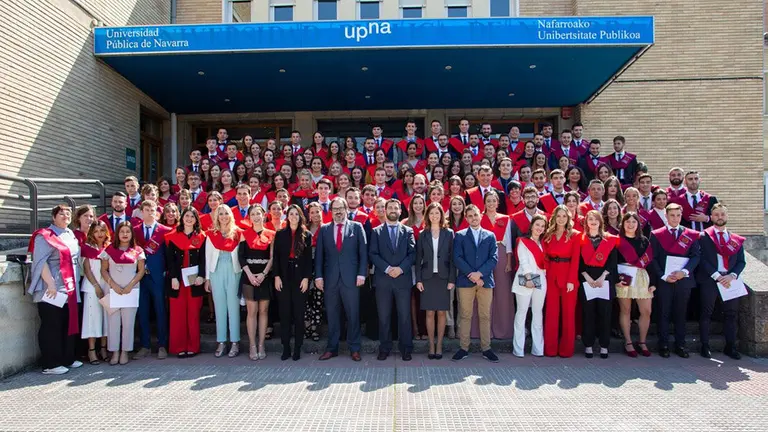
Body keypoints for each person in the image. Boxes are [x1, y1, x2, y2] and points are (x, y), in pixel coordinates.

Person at [28, 205, 82, 374]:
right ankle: (50, 364)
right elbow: (40, 261)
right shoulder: (44, 235)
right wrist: (50, 283)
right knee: (52, 325)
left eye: (68, 213)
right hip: (52, 288)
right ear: (53, 217)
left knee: (68, 322)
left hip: (70, 287)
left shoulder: (70, 233)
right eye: (61, 214)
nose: (66, 216)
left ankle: (67, 358)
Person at [314, 197, 368, 362]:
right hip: (330, 280)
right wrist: (318, 276)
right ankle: (332, 348)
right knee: (332, 315)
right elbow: (319, 256)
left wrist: (361, 274)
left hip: (351, 279)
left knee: (353, 314)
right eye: (335, 209)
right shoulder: (324, 229)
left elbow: (363, 253)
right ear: (331, 211)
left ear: (346, 210)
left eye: (341, 208)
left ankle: (355, 349)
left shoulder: (357, 227)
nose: (338, 212)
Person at [649, 203, 701, 358]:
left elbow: (696, 256)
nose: (675, 218)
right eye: (672, 215)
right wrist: (663, 276)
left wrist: (684, 272)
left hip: (683, 280)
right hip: (664, 280)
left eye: (678, 215)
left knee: (681, 313)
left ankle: (681, 345)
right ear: (666, 216)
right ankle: (663, 345)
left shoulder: (690, 234)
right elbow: (653, 258)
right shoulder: (656, 234)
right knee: (663, 313)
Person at [369, 198, 417, 361]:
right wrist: (388, 269)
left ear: (400, 211)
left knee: (404, 316)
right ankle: (385, 348)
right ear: (385, 210)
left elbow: (412, 254)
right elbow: (373, 254)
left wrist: (400, 269)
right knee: (384, 316)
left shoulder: (408, 231)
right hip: (383, 280)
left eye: (396, 208)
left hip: (402, 280)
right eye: (390, 208)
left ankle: (406, 348)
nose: (393, 210)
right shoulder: (376, 231)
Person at [697, 203, 745, 359]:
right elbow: (701, 259)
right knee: (706, 312)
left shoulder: (735, 239)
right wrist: (717, 275)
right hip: (710, 279)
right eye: (716, 214)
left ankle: (730, 347)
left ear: (727, 216)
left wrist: (732, 275)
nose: (720, 217)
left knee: (731, 314)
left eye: (723, 214)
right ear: (711, 217)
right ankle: (705, 346)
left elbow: (741, 262)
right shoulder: (703, 236)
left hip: (730, 280)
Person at [452, 205, 499, 363]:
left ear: (481, 216)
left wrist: (480, 274)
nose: (473, 218)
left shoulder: (490, 236)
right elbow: (457, 258)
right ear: (466, 218)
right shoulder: (460, 236)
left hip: (485, 281)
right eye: (470, 216)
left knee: (485, 315)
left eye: (475, 215)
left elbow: (493, 258)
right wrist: (472, 275)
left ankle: (486, 348)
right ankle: (463, 348)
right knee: (465, 315)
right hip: (466, 281)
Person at [100, 221, 145, 365]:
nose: (125, 234)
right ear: (117, 234)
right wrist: (113, 285)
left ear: (132, 234)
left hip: (130, 291)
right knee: (113, 322)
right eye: (122, 231)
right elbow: (103, 270)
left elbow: (141, 271)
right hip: (113, 291)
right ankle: (114, 352)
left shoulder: (138, 250)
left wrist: (130, 286)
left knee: (128, 323)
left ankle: (125, 351)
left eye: (128, 231)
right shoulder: (109, 250)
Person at [165, 207, 207, 358]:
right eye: (186, 216)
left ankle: (193, 347)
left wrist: (201, 276)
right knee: (178, 314)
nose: (189, 219)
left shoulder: (202, 237)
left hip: (195, 281)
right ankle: (179, 347)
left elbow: (204, 259)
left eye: (192, 216)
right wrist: (173, 277)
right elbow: (170, 260)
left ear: (196, 220)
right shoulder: (172, 237)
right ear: (182, 218)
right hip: (178, 281)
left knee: (193, 314)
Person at [616, 212, 659, 358]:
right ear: (623, 224)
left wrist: (653, 282)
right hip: (624, 277)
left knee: (646, 311)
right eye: (627, 222)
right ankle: (628, 342)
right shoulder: (617, 241)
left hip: (641, 276)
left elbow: (650, 262)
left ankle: (642, 342)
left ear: (638, 224)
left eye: (634, 222)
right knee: (625, 310)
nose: (630, 224)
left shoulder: (644, 240)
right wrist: (616, 279)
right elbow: (612, 262)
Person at [415, 203, 455, 359]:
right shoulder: (423, 234)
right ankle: (431, 345)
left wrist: (451, 279)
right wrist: (418, 279)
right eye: (431, 213)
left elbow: (452, 258)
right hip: (427, 278)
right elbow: (418, 258)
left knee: (442, 312)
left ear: (441, 215)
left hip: (443, 278)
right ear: (427, 216)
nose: (434, 216)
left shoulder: (449, 233)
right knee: (430, 312)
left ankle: (439, 345)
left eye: (437, 213)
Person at [273, 205, 313, 361]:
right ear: (287, 216)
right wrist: (276, 276)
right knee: (285, 314)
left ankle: (297, 347)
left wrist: (306, 278)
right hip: (284, 275)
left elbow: (309, 259)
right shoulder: (280, 234)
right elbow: (276, 257)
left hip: (300, 277)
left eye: (296, 214)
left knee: (298, 314)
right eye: (291, 214)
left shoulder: (306, 235)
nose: (294, 216)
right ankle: (286, 348)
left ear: (300, 216)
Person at [133, 200, 172, 360]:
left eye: (153, 209)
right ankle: (145, 346)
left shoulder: (165, 231)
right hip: (140, 276)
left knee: (160, 310)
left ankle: (162, 345)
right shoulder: (134, 230)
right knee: (142, 311)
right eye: (147, 209)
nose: (150, 212)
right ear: (141, 212)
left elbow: (169, 255)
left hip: (158, 276)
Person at [579, 210, 618, 359]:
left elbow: (612, 262)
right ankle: (588, 344)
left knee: (605, 314)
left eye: (596, 219)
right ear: (586, 222)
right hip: (586, 279)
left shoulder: (609, 239)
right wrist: (587, 277)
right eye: (590, 219)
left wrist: (603, 276)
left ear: (601, 221)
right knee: (588, 313)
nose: (593, 222)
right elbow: (579, 262)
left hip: (604, 280)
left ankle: (604, 345)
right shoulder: (581, 239)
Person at [542, 206, 580, 358]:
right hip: (551, 275)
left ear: (568, 218)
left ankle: (566, 350)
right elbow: (544, 256)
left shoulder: (575, 235)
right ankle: (550, 349)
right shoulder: (548, 235)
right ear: (554, 218)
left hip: (568, 276)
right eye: (559, 216)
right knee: (551, 313)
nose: (561, 219)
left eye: (564, 216)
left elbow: (576, 260)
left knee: (568, 314)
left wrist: (571, 280)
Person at [205, 205, 243, 358]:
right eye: (220, 214)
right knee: (219, 307)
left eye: (226, 213)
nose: (223, 216)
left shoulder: (238, 233)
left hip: (234, 271)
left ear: (231, 215)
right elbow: (207, 257)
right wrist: (207, 278)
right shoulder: (211, 234)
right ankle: (221, 341)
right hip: (216, 271)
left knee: (233, 307)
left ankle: (235, 342)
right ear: (217, 216)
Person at [238, 205, 274, 361]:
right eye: (253, 214)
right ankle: (252, 345)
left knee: (264, 311)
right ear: (249, 217)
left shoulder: (272, 234)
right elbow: (241, 257)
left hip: (265, 275)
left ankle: (261, 344)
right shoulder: (244, 234)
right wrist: (250, 275)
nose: (256, 216)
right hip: (249, 275)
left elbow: (272, 257)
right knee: (251, 311)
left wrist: (264, 274)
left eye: (258, 213)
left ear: (264, 215)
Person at [512, 214, 548, 357]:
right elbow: (523, 261)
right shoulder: (523, 241)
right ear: (532, 225)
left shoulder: (545, 243)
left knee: (538, 313)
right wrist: (528, 279)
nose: (539, 228)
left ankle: (538, 349)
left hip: (541, 280)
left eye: (542, 226)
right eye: (537, 224)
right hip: (525, 279)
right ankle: (518, 349)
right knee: (521, 312)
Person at [480, 190, 514, 340]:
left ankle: (503, 329)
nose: (491, 203)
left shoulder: (506, 219)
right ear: (484, 203)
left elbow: (509, 243)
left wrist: (508, 261)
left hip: (501, 252)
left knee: (502, 292)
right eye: (488, 201)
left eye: (494, 201)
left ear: (498, 203)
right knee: (483, 291)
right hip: (483, 255)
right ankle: (483, 330)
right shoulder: (479, 218)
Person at [80, 220, 110, 365]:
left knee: (106, 319)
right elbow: (87, 269)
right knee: (92, 319)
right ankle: (91, 350)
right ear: (92, 232)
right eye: (96, 231)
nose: (99, 234)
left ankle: (103, 349)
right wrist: (96, 286)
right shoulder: (87, 247)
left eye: (102, 231)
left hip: (107, 286)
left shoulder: (109, 247)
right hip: (92, 286)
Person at [304, 202, 325, 342]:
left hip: (321, 267)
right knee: (305, 298)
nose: (315, 214)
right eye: (312, 212)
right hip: (306, 267)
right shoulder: (304, 229)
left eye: (318, 211)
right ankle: (307, 325)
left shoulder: (326, 228)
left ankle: (315, 327)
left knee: (318, 299)